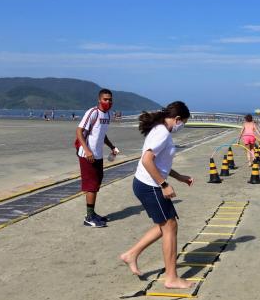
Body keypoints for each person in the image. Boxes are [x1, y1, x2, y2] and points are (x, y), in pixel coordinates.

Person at [119, 101, 195, 289]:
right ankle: (171, 278)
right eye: (183, 122)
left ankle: (131, 254)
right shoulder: (162, 132)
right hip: (150, 185)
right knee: (170, 226)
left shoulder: (161, 129)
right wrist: (164, 185)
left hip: (146, 184)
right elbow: (147, 160)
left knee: (166, 224)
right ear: (177, 119)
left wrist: (179, 177)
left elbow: (161, 163)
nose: (182, 126)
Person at [76, 89, 119, 227]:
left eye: (110, 99)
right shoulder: (93, 112)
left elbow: (102, 134)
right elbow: (79, 131)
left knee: (97, 182)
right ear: (99, 100)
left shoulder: (107, 114)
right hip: (87, 154)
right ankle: (89, 217)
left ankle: (92, 213)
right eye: (105, 99)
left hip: (98, 155)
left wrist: (112, 146)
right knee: (91, 185)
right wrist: (87, 150)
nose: (108, 102)